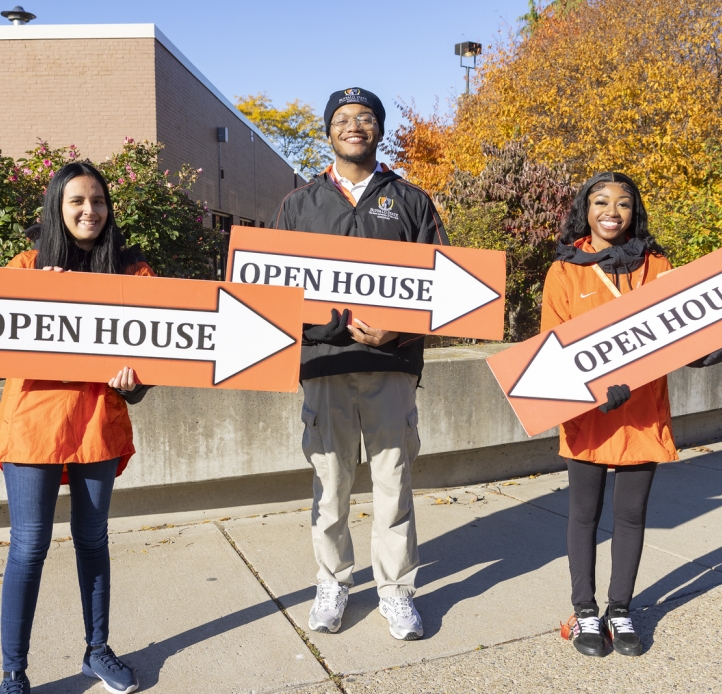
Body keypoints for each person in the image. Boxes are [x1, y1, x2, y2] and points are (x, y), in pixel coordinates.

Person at [270, 87, 448, 640]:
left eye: (365, 118)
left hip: (391, 366)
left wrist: (402, 327)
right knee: (331, 485)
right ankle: (334, 582)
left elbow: (445, 287)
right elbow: (268, 290)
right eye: (343, 119)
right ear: (328, 132)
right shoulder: (297, 205)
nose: (354, 126)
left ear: (379, 130)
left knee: (393, 484)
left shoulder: (412, 201)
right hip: (324, 367)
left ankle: (396, 592)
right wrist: (320, 326)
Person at [0, 162, 154, 694]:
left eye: (99, 201)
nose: (90, 210)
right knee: (27, 547)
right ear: (57, 208)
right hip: (33, 425)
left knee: (92, 539)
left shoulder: (133, 275)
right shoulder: (25, 267)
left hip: (96, 425)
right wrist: (28, 297)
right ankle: (13, 673)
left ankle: (97, 651)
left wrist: (132, 382)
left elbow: (150, 369)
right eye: (77, 202)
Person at [544, 172, 679, 658]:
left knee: (631, 515)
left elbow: (676, 331)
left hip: (642, 412)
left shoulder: (658, 264)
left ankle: (619, 610)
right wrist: (595, 390)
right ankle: (585, 613)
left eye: (623, 203)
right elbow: (552, 350)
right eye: (601, 201)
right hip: (589, 414)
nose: (612, 211)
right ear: (585, 209)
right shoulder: (564, 270)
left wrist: (708, 348)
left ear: (634, 211)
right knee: (583, 514)